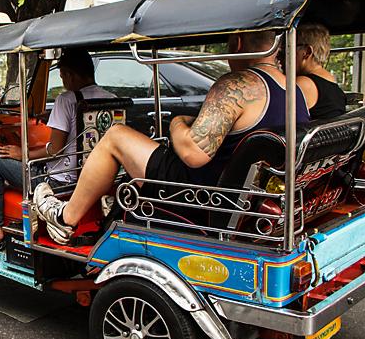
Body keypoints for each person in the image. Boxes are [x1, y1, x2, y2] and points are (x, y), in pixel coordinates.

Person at [34, 30, 310, 239]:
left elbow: (192, 153)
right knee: (146, 146)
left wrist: (178, 122)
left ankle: (65, 216)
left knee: (117, 135)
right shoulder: (293, 91)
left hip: (200, 194)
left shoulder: (238, 84)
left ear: (236, 42)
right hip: (240, 196)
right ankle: (113, 207)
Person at [0, 49, 115, 247]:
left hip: (58, 184)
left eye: (62, 76)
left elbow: (55, 150)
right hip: (93, 180)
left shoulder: (66, 99)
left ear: (69, 74)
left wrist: (23, 154)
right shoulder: (110, 97)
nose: (63, 82)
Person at [294, 22, 347, 120]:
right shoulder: (331, 80)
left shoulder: (304, 84)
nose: (283, 54)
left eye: (289, 46)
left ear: (307, 52)